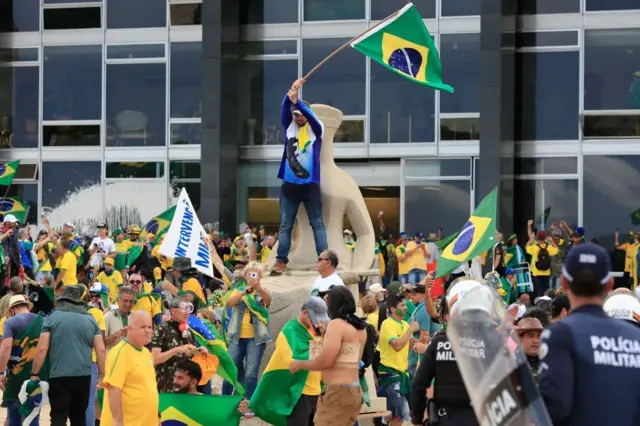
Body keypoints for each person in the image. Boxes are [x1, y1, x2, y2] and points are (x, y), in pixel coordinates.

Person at [539, 243, 640, 426]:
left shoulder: (560, 334)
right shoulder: (635, 338)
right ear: (610, 283)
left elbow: (553, 406)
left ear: (563, 283)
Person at [271, 78, 327, 275]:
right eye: (295, 114)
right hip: (290, 186)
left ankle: (324, 259)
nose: (298, 117)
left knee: (317, 223)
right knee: (286, 224)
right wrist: (292, 90)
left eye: (301, 114)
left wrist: (298, 102)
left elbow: (310, 117)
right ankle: (281, 260)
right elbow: (284, 107)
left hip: (310, 185)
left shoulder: (316, 128)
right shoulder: (289, 127)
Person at [411, 279, 485, 426]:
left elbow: (419, 385)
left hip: (446, 418)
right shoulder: (492, 344)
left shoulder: (439, 344)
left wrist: (417, 418)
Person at [289, 286, 367, 426]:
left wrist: (299, 364)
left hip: (338, 393)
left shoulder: (336, 325)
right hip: (353, 391)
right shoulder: (360, 328)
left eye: (327, 301)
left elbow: (326, 361)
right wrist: (326, 335)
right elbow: (345, 358)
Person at [31, 284, 106, 426]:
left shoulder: (52, 318)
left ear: (62, 300)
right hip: (83, 375)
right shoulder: (90, 319)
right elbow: (101, 350)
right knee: (79, 417)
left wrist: (35, 373)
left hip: (59, 375)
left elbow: (42, 348)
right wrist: (102, 375)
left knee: (58, 416)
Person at [251, 296, 330, 426]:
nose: (318, 322)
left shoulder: (315, 331)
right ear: (305, 312)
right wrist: (327, 346)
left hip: (316, 392)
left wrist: (324, 338)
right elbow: (297, 358)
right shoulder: (291, 330)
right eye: (315, 318)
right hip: (299, 394)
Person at [223, 262, 272, 401]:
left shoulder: (263, 291)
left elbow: (268, 300)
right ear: (245, 276)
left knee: (251, 372)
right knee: (231, 369)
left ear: (260, 277)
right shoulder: (238, 290)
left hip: (256, 338)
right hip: (236, 337)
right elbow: (229, 303)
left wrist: (258, 288)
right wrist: (245, 291)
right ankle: (225, 400)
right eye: (250, 274)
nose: (252, 277)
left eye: (255, 275)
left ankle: (250, 403)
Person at [100, 311, 159, 426]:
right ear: (129, 329)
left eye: (149, 327)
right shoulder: (120, 352)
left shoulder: (147, 353)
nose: (148, 330)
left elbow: (150, 388)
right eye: (143, 327)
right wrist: (117, 422)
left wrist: (157, 418)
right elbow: (113, 389)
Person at [376, 293, 419, 426]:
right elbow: (397, 346)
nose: (406, 307)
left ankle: (382, 421)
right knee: (402, 412)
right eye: (402, 305)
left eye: (405, 304)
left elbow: (411, 345)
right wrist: (410, 330)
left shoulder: (405, 325)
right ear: (393, 309)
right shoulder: (387, 324)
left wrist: (424, 341)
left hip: (403, 373)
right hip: (390, 372)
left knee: (400, 411)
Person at [0, 295, 39, 426]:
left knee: (14, 417)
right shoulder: (43, 321)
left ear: (11, 310)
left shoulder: (10, 322)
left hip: (16, 376)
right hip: (37, 375)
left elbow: (5, 347)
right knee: (33, 416)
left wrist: (1, 372)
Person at [151, 296, 200, 393]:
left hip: (182, 389)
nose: (187, 312)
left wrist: (198, 351)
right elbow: (154, 359)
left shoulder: (189, 332)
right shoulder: (162, 330)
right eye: (183, 308)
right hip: (164, 388)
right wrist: (177, 350)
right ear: (173, 310)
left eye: (189, 309)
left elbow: (189, 359)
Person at [515, 316, 544, 381]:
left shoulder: (548, 364)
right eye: (531, 335)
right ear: (520, 339)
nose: (536, 340)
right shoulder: (511, 362)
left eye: (539, 336)